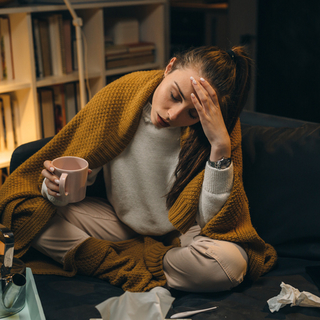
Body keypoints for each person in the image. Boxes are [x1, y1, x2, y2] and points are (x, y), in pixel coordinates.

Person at [0, 46, 277, 293]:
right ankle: (121, 260)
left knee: (230, 264)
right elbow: (77, 179)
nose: (173, 115)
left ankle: (105, 260)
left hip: (179, 237)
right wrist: (55, 190)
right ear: (169, 68)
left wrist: (219, 147)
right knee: (26, 215)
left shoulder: (219, 130)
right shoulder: (122, 96)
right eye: (174, 95)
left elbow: (211, 223)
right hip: (118, 223)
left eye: (193, 113)